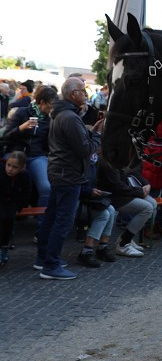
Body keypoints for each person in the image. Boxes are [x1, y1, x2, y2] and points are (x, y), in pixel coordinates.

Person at [35, 77, 104, 280]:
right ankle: (51, 264)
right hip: (69, 175)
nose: (86, 94)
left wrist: (89, 133)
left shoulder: (61, 114)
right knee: (63, 221)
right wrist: (97, 135)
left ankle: (43, 258)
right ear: (73, 94)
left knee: (52, 216)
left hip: (60, 172)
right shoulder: (70, 117)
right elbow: (84, 150)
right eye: (83, 91)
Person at [1, 85, 58, 213]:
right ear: (42, 102)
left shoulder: (51, 120)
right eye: (51, 104)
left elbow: (49, 144)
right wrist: (21, 128)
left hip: (36, 156)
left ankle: (41, 225)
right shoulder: (21, 112)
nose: (52, 107)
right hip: (14, 153)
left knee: (46, 188)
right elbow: (6, 136)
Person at [96, 155, 156, 257]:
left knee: (153, 203)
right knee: (147, 208)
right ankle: (123, 243)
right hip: (113, 196)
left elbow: (133, 172)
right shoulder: (108, 160)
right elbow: (117, 186)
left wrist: (146, 184)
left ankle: (127, 238)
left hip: (124, 192)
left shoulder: (126, 153)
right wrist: (139, 191)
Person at [0, 151, 32, 265]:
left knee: (8, 219)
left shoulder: (24, 175)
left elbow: (27, 192)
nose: (10, 169)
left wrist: (20, 205)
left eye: (15, 167)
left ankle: (4, 247)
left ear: (22, 168)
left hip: (13, 202)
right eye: (8, 165)